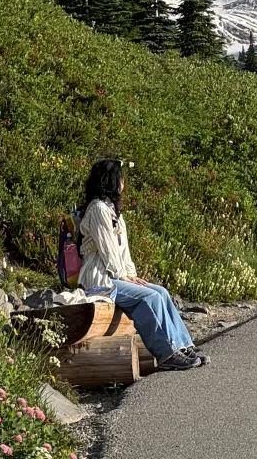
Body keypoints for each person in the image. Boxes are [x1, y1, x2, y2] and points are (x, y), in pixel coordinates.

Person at [77, 157, 203, 372]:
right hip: (100, 278)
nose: (123, 183)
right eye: (121, 178)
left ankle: (184, 346)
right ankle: (167, 353)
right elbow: (106, 248)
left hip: (117, 276)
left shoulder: (113, 211)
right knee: (149, 297)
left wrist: (130, 274)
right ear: (112, 181)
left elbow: (123, 251)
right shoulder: (97, 209)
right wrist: (122, 275)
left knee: (160, 292)